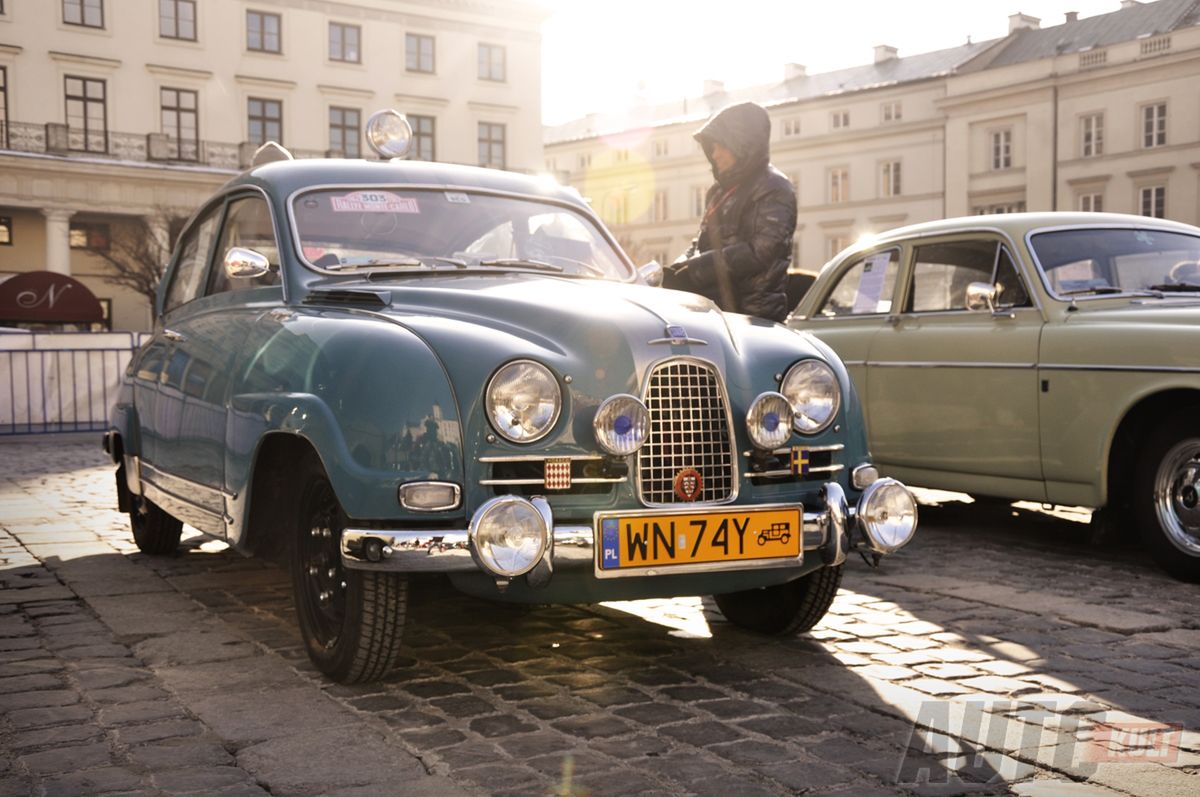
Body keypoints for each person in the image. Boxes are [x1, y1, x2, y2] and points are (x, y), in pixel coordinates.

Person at [663, 101, 797, 322]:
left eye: (720, 146)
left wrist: (695, 270)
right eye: (711, 147)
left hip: (755, 317)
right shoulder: (719, 191)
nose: (714, 154)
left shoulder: (774, 187)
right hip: (715, 312)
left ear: (741, 144)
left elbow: (762, 250)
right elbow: (702, 242)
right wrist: (677, 269)